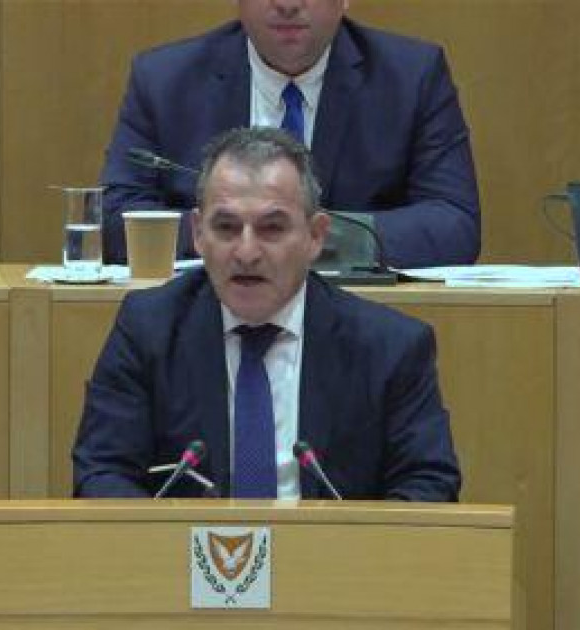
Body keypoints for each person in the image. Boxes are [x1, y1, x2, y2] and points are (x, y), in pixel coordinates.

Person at [74, 126, 460, 500]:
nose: (246, 253)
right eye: (226, 227)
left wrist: (346, 542)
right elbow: (101, 473)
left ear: (316, 236)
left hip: (330, 546)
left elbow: (428, 486)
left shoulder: (389, 348)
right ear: (198, 233)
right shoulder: (149, 330)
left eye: (271, 229)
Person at [99, 0, 480, 269]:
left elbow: (454, 225)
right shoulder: (165, 80)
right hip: (208, 318)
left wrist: (314, 238)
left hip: (360, 324)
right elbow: (115, 220)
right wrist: (230, 235)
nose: (287, 4)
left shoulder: (411, 77)